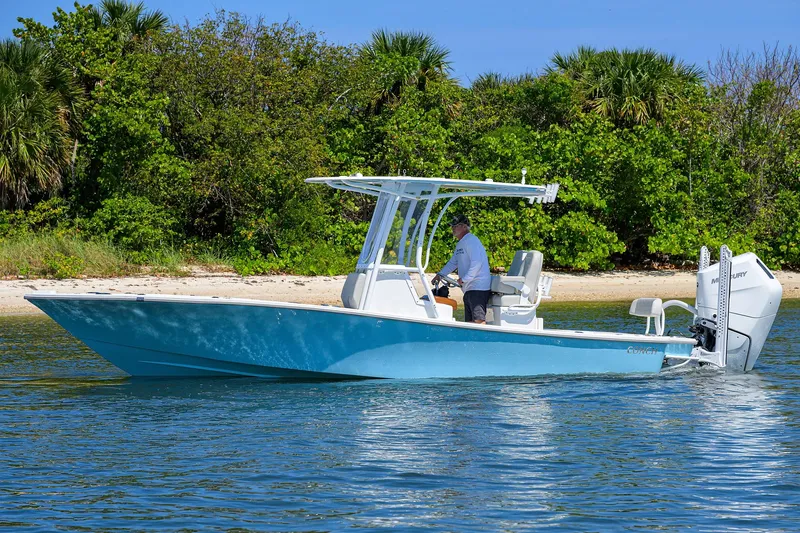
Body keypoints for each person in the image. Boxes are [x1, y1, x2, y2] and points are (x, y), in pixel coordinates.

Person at [432, 214, 491, 323]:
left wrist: (464, 279)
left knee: (478, 320)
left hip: (478, 287)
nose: (453, 228)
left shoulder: (472, 241)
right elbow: (453, 263)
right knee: (469, 322)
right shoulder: (461, 243)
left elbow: (477, 263)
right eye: (452, 226)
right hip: (468, 288)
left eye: (456, 226)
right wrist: (439, 275)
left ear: (465, 227)